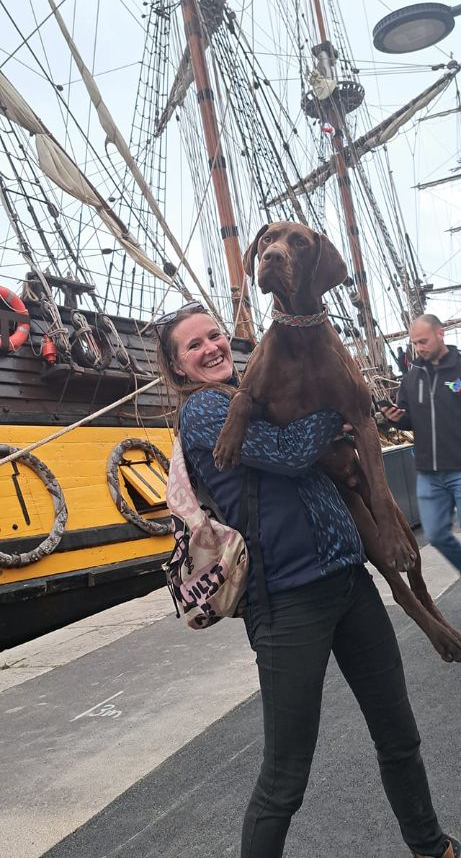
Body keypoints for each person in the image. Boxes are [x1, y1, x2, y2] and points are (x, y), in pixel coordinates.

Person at [156, 300, 460, 858]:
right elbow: (293, 454)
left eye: (215, 336)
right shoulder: (203, 413)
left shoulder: (262, 399)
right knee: (285, 777)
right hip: (287, 603)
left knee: (399, 735)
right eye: (193, 346)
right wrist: (344, 404)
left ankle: (430, 845)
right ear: (178, 368)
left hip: (349, 585)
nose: (211, 349)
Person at [381, 314, 461, 574]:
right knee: (436, 535)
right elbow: (408, 419)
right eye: (414, 343)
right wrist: (395, 418)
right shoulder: (411, 378)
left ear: (441, 333)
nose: (418, 348)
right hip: (429, 473)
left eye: (423, 341)